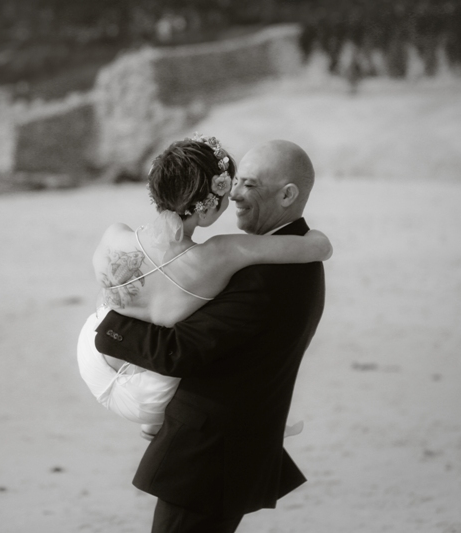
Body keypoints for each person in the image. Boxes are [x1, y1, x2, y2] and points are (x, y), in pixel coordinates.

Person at [93, 139, 326, 533]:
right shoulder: (280, 256)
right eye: (234, 182)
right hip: (219, 451)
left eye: (249, 184)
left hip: (210, 460)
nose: (235, 193)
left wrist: (109, 327)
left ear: (288, 195)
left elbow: (179, 351)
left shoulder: (270, 274)